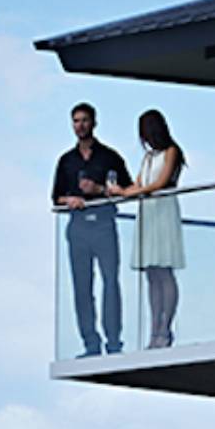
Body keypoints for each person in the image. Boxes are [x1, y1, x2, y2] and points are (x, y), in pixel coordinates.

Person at [51, 103, 133, 356]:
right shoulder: (66, 161)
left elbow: (128, 190)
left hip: (104, 225)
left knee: (110, 282)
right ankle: (90, 342)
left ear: (94, 122)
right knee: (81, 287)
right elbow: (56, 197)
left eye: (85, 120)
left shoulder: (110, 157)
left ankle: (114, 341)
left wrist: (99, 190)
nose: (80, 125)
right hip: (78, 228)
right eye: (76, 121)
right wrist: (70, 200)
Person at [108, 109, 185, 348]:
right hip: (149, 212)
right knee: (152, 273)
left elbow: (160, 183)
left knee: (164, 270)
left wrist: (127, 191)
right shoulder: (149, 157)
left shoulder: (172, 152)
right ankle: (154, 328)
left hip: (163, 210)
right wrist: (118, 191)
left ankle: (165, 327)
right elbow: (139, 185)